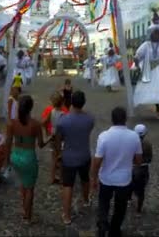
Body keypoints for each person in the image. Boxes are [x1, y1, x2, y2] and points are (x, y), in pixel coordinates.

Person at [91, 106, 142, 237]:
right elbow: (138, 160)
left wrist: (94, 178)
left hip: (106, 178)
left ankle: (102, 224)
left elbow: (97, 161)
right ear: (125, 119)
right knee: (120, 208)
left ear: (112, 119)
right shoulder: (134, 137)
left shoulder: (104, 136)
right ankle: (114, 230)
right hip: (124, 180)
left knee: (103, 203)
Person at [3, 95, 49, 223]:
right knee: (30, 189)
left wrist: (7, 161)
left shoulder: (12, 123)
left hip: (16, 156)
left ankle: (24, 208)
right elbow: (40, 144)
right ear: (31, 108)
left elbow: (7, 143)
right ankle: (27, 216)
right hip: (28, 157)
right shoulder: (35, 124)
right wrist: (50, 138)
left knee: (23, 184)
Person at [56, 90, 95, 225]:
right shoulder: (90, 119)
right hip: (84, 154)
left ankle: (66, 215)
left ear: (71, 102)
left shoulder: (63, 120)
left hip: (68, 156)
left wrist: (58, 154)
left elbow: (59, 139)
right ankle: (86, 200)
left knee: (68, 185)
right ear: (83, 103)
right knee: (85, 179)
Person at [40, 92, 68, 184]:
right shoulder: (64, 114)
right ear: (62, 102)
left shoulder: (51, 112)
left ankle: (52, 178)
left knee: (53, 158)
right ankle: (61, 178)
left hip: (52, 135)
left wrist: (47, 132)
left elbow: (43, 122)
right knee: (61, 159)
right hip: (62, 137)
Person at [131, 124, 152, 214]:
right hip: (143, 169)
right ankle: (138, 210)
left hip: (131, 168)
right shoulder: (148, 144)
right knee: (141, 191)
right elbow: (150, 159)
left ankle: (128, 199)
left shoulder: (130, 143)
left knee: (129, 186)